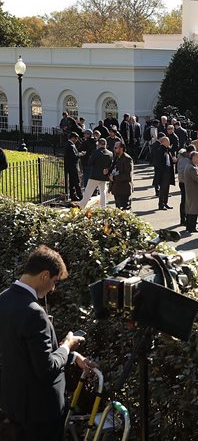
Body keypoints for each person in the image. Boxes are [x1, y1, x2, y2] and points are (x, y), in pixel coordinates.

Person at [0, 245, 95, 441]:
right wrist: (68, 345)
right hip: (41, 412)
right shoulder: (34, 312)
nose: (53, 288)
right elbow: (46, 367)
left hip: (15, 404)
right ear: (44, 275)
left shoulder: (4, 299)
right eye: (54, 281)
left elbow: (24, 352)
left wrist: (72, 356)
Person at [78, 138, 112, 208]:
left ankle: (81, 206)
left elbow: (90, 163)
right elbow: (110, 165)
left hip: (94, 176)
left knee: (88, 192)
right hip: (104, 176)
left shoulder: (95, 152)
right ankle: (103, 208)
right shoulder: (110, 153)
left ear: (98, 144)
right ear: (105, 145)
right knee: (103, 192)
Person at [109, 141, 134, 210]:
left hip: (124, 189)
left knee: (125, 211)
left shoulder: (127, 159)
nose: (114, 149)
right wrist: (108, 171)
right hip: (117, 189)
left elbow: (127, 175)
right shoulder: (117, 157)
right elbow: (113, 168)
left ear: (121, 148)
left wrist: (114, 178)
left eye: (116, 148)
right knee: (118, 210)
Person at [155, 136, 176, 210]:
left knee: (167, 188)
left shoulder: (167, 150)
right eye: (167, 142)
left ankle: (165, 203)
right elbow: (159, 162)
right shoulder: (160, 150)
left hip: (168, 171)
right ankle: (161, 204)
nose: (169, 143)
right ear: (163, 142)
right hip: (163, 172)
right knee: (163, 189)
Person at [64, 132, 84, 201]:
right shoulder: (70, 146)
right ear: (73, 138)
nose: (76, 140)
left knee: (72, 182)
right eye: (76, 139)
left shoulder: (69, 144)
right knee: (76, 182)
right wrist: (81, 154)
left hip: (70, 166)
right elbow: (74, 156)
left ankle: (73, 196)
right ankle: (80, 196)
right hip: (73, 167)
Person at [177, 146, 194, 226]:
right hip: (184, 183)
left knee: (187, 201)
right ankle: (183, 219)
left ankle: (188, 218)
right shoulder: (184, 160)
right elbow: (183, 172)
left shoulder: (186, 158)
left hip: (185, 182)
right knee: (184, 201)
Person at [150, 132, 166, 197]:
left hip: (157, 163)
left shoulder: (156, 144)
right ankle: (157, 191)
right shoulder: (156, 145)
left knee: (158, 177)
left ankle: (159, 191)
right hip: (158, 164)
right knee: (157, 177)